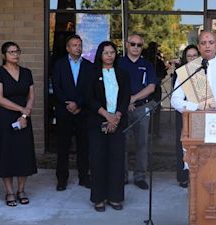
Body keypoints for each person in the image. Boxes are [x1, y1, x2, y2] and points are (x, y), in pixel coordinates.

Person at [0, 42, 37, 206]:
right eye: (11, 52)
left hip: (23, 118)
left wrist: (24, 114)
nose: (15, 54)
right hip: (3, 118)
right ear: (4, 55)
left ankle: (21, 190)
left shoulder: (27, 73)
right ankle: (9, 192)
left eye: (17, 51)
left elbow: (31, 96)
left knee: (23, 153)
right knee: (6, 154)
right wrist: (22, 109)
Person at [85, 41, 130, 212]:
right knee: (98, 160)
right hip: (97, 123)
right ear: (100, 55)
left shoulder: (122, 73)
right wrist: (107, 116)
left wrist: (116, 116)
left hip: (118, 122)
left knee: (116, 160)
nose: (109, 55)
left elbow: (125, 96)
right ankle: (99, 199)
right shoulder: (91, 73)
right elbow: (88, 98)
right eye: (106, 53)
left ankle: (115, 197)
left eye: (112, 52)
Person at [52, 34, 92, 191]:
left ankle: (84, 177)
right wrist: (67, 104)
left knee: (84, 146)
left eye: (80, 45)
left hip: (82, 112)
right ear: (68, 48)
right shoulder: (59, 65)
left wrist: (78, 104)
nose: (78, 47)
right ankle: (62, 179)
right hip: (64, 111)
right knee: (63, 147)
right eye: (74, 45)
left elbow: (90, 90)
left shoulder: (89, 66)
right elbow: (57, 87)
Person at [118, 33, 158, 190]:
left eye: (139, 45)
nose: (135, 47)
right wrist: (125, 102)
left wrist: (132, 99)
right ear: (127, 44)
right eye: (133, 44)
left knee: (142, 144)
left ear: (142, 47)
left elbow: (151, 87)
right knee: (122, 143)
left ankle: (140, 176)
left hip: (141, 108)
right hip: (121, 109)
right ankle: (122, 176)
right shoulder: (118, 63)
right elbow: (113, 84)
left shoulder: (147, 65)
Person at [171, 31, 216, 112]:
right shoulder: (189, 69)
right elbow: (175, 100)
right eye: (203, 43)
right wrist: (197, 107)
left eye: (211, 42)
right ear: (198, 47)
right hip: (196, 120)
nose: (207, 46)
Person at [172, 45, 199, 188]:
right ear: (185, 58)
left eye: (195, 55)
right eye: (189, 56)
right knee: (182, 146)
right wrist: (194, 107)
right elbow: (176, 99)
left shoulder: (205, 72)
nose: (192, 58)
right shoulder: (181, 73)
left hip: (201, 117)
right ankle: (183, 176)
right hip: (184, 115)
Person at [143, 42, 168, 138]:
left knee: (156, 110)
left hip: (156, 89)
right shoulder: (144, 61)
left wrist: (155, 80)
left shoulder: (159, 62)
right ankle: (145, 131)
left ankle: (155, 131)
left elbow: (162, 75)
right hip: (144, 89)